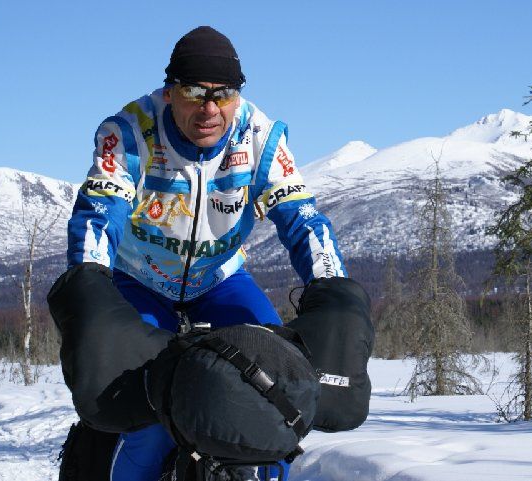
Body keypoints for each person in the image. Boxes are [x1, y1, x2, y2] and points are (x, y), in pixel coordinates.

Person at [57, 26, 347, 481]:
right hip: (139, 280)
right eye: (194, 92)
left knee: (274, 399)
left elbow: (302, 219)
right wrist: (89, 282)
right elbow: (99, 212)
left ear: (238, 94)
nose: (210, 108)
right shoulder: (130, 132)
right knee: (146, 411)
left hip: (219, 279)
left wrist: (333, 289)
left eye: (224, 93)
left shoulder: (260, 137)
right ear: (171, 91)